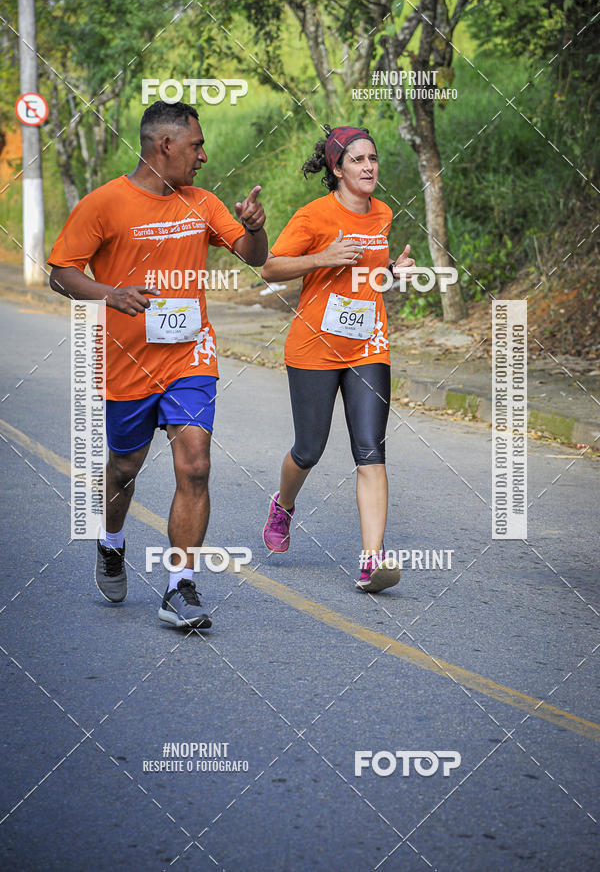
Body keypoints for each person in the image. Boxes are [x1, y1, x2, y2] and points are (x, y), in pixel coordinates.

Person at [49, 100, 267, 628]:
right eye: (196, 145)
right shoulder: (105, 204)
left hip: (190, 356)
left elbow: (254, 256)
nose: (203, 156)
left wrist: (255, 228)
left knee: (196, 464)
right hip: (127, 363)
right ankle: (111, 540)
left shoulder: (202, 202)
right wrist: (110, 293)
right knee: (125, 468)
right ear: (165, 145)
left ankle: (179, 587)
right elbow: (60, 273)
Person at [261, 125, 415, 593]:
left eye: (373, 158)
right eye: (357, 160)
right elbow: (270, 267)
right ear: (337, 168)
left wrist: (393, 272)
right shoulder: (313, 216)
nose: (368, 167)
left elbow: (369, 276)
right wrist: (322, 257)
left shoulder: (383, 213)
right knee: (309, 449)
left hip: (368, 345)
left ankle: (372, 560)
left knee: (371, 450)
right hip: (314, 347)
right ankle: (283, 506)